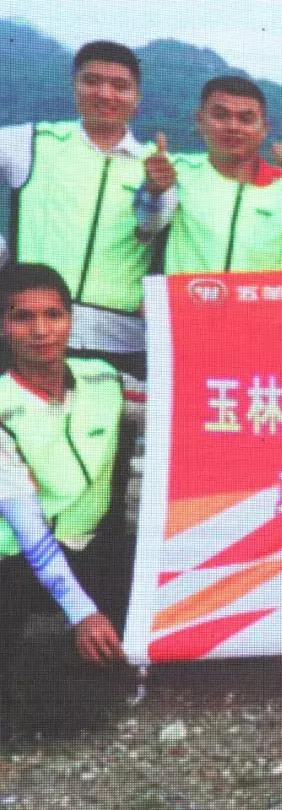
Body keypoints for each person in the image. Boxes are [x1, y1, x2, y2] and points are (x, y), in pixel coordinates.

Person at [0, 264, 132, 737]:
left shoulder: (103, 378)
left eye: (54, 315)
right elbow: (28, 529)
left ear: (71, 319)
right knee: (37, 709)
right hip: (15, 558)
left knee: (106, 677)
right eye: (22, 317)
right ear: (2, 325)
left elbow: (177, 408)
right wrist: (82, 612)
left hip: (94, 547)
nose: (41, 331)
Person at [0, 40, 174, 379]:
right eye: (92, 81)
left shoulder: (159, 165)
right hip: (27, 331)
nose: (105, 94)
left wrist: (158, 190)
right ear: (74, 86)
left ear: (137, 98)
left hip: (118, 341)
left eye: (120, 86)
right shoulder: (31, 141)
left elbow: (153, 226)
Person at [155, 76, 282, 274]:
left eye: (246, 119)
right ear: (200, 120)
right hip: (185, 302)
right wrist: (153, 192)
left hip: (262, 303)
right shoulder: (175, 172)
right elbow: (147, 226)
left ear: (264, 129)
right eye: (221, 115)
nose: (233, 126)